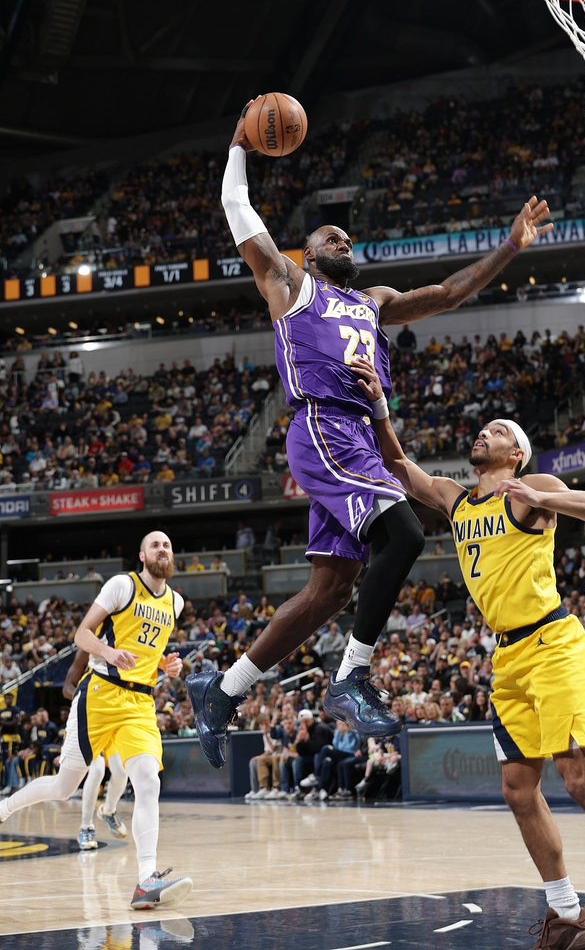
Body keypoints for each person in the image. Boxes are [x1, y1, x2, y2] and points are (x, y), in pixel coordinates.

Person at [187, 102, 553, 767]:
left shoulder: (373, 302)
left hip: (358, 434)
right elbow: (236, 206)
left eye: (348, 240)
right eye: (331, 238)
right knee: (405, 533)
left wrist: (510, 246)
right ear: (307, 252)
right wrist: (239, 141)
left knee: (330, 590)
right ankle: (351, 678)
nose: (344, 242)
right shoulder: (290, 283)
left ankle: (224, 688)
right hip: (324, 425)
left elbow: (448, 292)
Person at [356, 357, 585, 950]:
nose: (485, 432)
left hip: (551, 643)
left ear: (517, 454)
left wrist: (540, 495)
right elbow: (399, 466)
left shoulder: (533, 490)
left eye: (499, 430)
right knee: (516, 788)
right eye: (485, 429)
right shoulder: (458, 501)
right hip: (506, 657)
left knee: (579, 778)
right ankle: (568, 915)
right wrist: (378, 404)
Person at [0, 531, 193, 910]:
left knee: (148, 781)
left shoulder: (176, 602)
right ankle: (4, 809)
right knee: (63, 787)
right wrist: (108, 651)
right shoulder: (123, 585)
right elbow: (81, 634)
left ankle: (146, 880)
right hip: (100, 694)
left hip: (140, 702)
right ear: (142, 555)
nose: (163, 549)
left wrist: (166, 665)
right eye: (155, 545)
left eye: (168, 545)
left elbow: (147, 650)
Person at [62, 648, 128, 849]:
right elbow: (66, 688)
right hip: (90, 718)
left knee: (121, 771)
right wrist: (87, 697)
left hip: (112, 719)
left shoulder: (122, 643)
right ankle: (86, 826)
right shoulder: (87, 648)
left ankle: (108, 811)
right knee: (97, 770)